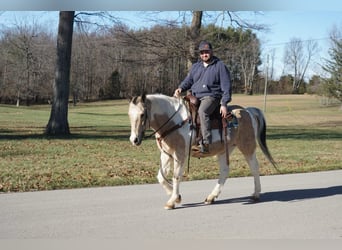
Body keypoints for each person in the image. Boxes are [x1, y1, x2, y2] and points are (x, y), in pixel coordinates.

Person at [174, 41, 232, 153]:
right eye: (202, 52)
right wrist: (180, 88)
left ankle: (205, 142)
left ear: (211, 51)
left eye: (206, 52)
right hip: (194, 96)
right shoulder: (196, 66)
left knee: (203, 111)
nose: (204, 54)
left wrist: (224, 104)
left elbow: (226, 86)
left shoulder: (220, 66)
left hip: (211, 97)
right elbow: (189, 80)